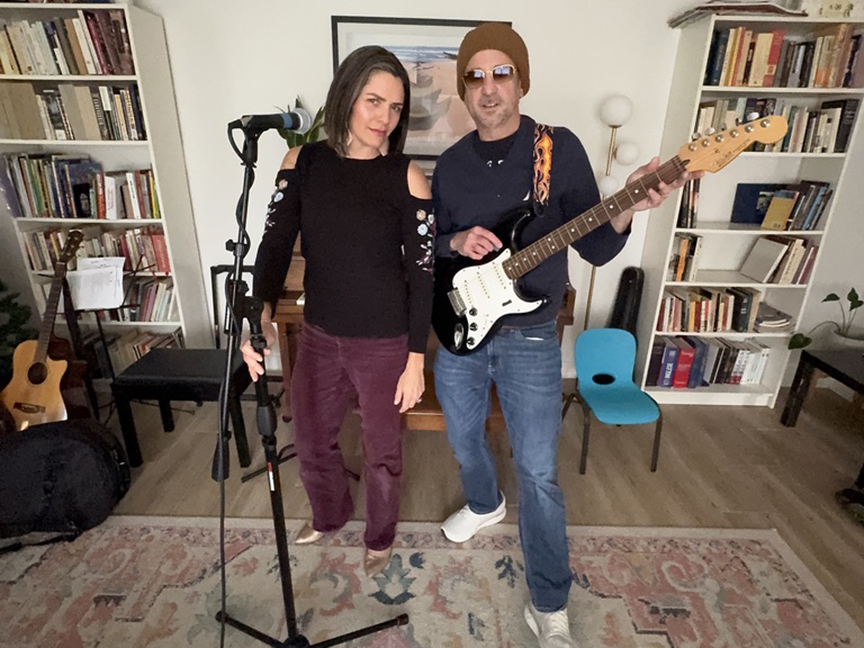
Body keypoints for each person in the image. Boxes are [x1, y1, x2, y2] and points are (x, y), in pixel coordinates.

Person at [432, 23, 700, 647]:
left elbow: (598, 246)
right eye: (476, 76)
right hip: (462, 329)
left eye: (502, 73)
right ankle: (484, 503)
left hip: (529, 338)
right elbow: (432, 248)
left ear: (521, 82)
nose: (489, 87)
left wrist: (629, 204)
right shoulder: (450, 164)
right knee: (464, 440)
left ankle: (549, 602)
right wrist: (455, 239)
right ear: (464, 89)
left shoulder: (559, 149)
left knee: (538, 472)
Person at [242, 45, 434, 578]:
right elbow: (274, 246)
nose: (384, 117)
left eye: (395, 107)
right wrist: (260, 313)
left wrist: (416, 359)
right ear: (346, 96)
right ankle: (330, 514)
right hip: (320, 335)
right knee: (308, 438)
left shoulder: (407, 177)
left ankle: (380, 536)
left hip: (384, 343)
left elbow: (423, 276)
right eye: (374, 101)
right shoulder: (302, 163)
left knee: (382, 451)